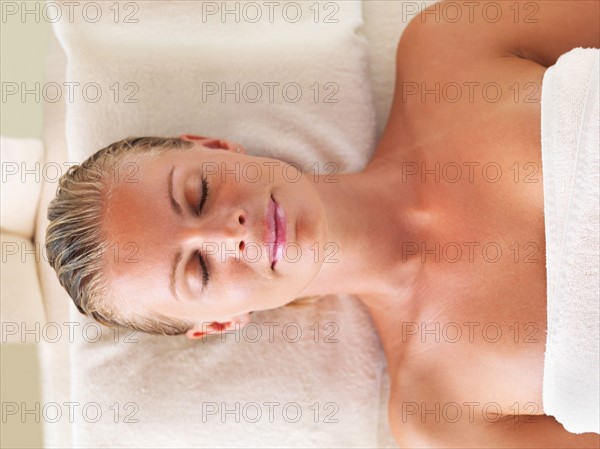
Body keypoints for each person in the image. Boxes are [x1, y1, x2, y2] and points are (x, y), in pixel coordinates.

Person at [45, 1, 599, 447]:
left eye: (199, 192)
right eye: (198, 270)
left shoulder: (447, 48)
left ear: (213, 147)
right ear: (220, 322)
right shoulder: (442, 417)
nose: (228, 233)